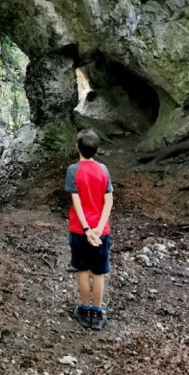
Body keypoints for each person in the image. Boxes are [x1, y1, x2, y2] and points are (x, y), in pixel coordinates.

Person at [65, 128, 114, 331]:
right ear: (97, 149)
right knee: (99, 273)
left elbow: (76, 202)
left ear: (77, 147)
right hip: (101, 232)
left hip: (79, 230)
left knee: (83, 271)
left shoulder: (73, 170)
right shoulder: (103, 170)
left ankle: (84, 308)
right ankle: (97, 310)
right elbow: (109, 200)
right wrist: (98, 228)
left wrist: (87, 229)